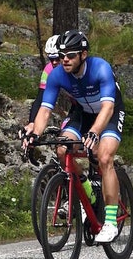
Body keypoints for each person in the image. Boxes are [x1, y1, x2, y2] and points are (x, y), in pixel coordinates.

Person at [23, 30, 125, 243]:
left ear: (83, 55)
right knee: (62, 149)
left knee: (105, 157)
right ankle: (89, 191)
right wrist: (35, 134)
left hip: (109, 113)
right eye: (61, 56)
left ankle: (110, 222)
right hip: (81, 114)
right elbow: (44, 110)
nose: (65, 60)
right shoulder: (57, 74)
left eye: (70, 55)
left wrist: (95, 132)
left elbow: (107, 107)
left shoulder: (100, 68)